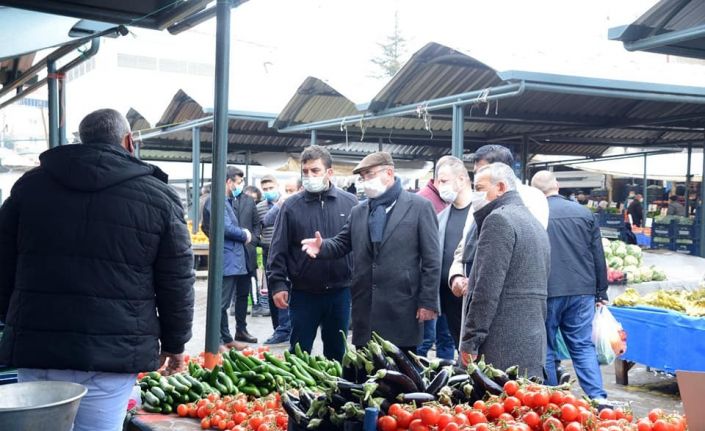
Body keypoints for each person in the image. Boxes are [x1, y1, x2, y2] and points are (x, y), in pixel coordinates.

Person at [0, 109, 195, 431]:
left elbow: (4, 263)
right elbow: (176, 280)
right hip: (113, 354)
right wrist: (175, 344)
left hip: (38, 346)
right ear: (129, 141)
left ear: (81, 139)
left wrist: (14, 318)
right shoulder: (159, 196)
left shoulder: (30, 187)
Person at [302, 151, 441, 353]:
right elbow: (342, 243)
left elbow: (432, 260)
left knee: (402, 373)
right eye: (363, 176)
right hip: (366, 307)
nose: (366, 181)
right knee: (367, 371)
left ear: (389, 173)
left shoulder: (419, 207)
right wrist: (322, 246)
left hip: (402, 305)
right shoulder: (359, 211)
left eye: (371, 174)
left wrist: (428, 301)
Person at [459, 163, 549, 378]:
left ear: (500, 187)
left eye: (479, 188)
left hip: (500, 346)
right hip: (532, 343)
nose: (475, 195)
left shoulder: (498, 220)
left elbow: (486, 290)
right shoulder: (532, 222)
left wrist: (471, 342)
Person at [267, 146, 357, 361]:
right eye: (305, 172)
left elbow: (359, 245)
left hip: (340, 292)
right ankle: (296, 393)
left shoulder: (351, 203)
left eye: (315, 171)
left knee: (337, 352)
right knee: (299, 351)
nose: (309, 176)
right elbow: (278, 248)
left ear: (329, 172)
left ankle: (335, 392)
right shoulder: (291, 206)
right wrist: (278, 284)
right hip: (304, 293)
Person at [531, 171, 610, 403]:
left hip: (546, 290)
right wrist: (601, 291)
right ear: (557, 185)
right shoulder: (583, 213)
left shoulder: (534, 214)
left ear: (535, 191)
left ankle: (552, 398)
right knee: (582, 345)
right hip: (582, 291)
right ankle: (598, 398)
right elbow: (598, 255)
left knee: (545, 346)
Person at [448, 144, 547, 308]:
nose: (478, 178)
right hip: (474, 293)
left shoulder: (531, 198)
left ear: (502, 172)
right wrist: (456, 274)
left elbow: (528, 250)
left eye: (483, 172)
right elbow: (465, 243)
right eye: (476, 172)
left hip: (510, 299)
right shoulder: (479, 199)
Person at [202, 167, 253, 349]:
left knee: (222, 303)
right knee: (220, 303)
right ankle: (216, 342)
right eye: (238, 182)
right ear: (228, 181)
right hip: (226, 259)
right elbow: (224, 227)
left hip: (228, 257)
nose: (239, 186)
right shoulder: (217, 200)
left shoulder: (223, 200)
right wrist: (244, 234)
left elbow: (206, 228)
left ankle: (226, 338)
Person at [432, 156, 474, 349]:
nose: (439, 186)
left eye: (444, 181)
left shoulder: (480, 214)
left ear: (461, 180)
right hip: (447, 298)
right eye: (438, 181)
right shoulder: (441, 217)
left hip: (472, 296)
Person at [257, 175, 291, 345]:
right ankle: (278, 327)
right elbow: (264, 222)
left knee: (283, 288)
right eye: (265, 189)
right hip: (267, 250)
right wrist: (277, 206)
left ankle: (285, 328)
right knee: (272, 291)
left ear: (278, 186)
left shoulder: (290, 203)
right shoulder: (261, 207)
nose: (269, 191)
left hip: (284, 252)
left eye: (271, 187)